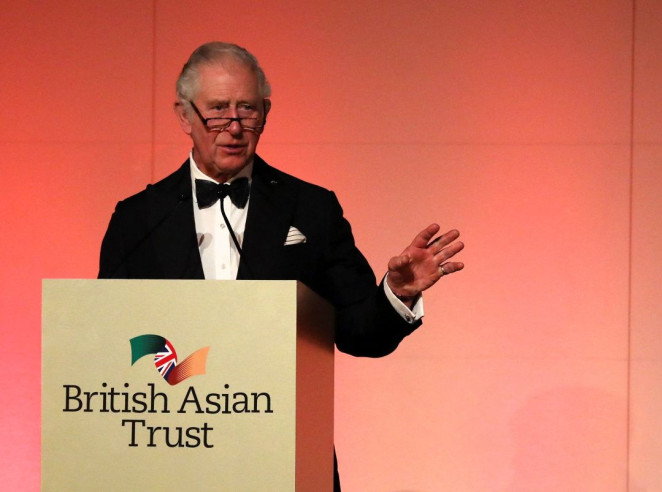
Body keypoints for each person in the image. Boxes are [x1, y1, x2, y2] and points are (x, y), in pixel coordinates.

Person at [99, 41, 464, 490]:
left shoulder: (310, 209)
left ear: (266, 113)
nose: (233, 127)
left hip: (284, 455)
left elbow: (358, 331)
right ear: (183, 115)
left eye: (247, 110)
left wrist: (397, 293)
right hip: (170, 455)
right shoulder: (138, 218)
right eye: (217, 110)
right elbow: (109, 343)